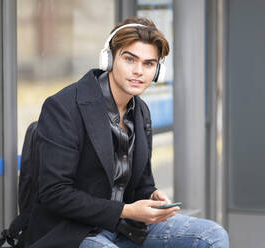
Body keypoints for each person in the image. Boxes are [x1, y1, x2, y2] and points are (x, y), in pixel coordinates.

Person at [25, 17, 229, 248]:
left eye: (149, 64)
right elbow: (55, 193)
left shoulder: (140, 111)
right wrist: (125, 210)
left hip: (124, 227)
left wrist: (152, 196)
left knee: (212, 234)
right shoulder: (64, 107)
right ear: (110, 58)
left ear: (158, 71)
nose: (138, 71)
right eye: (130, 59)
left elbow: (142, 183)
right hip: (73, 231)